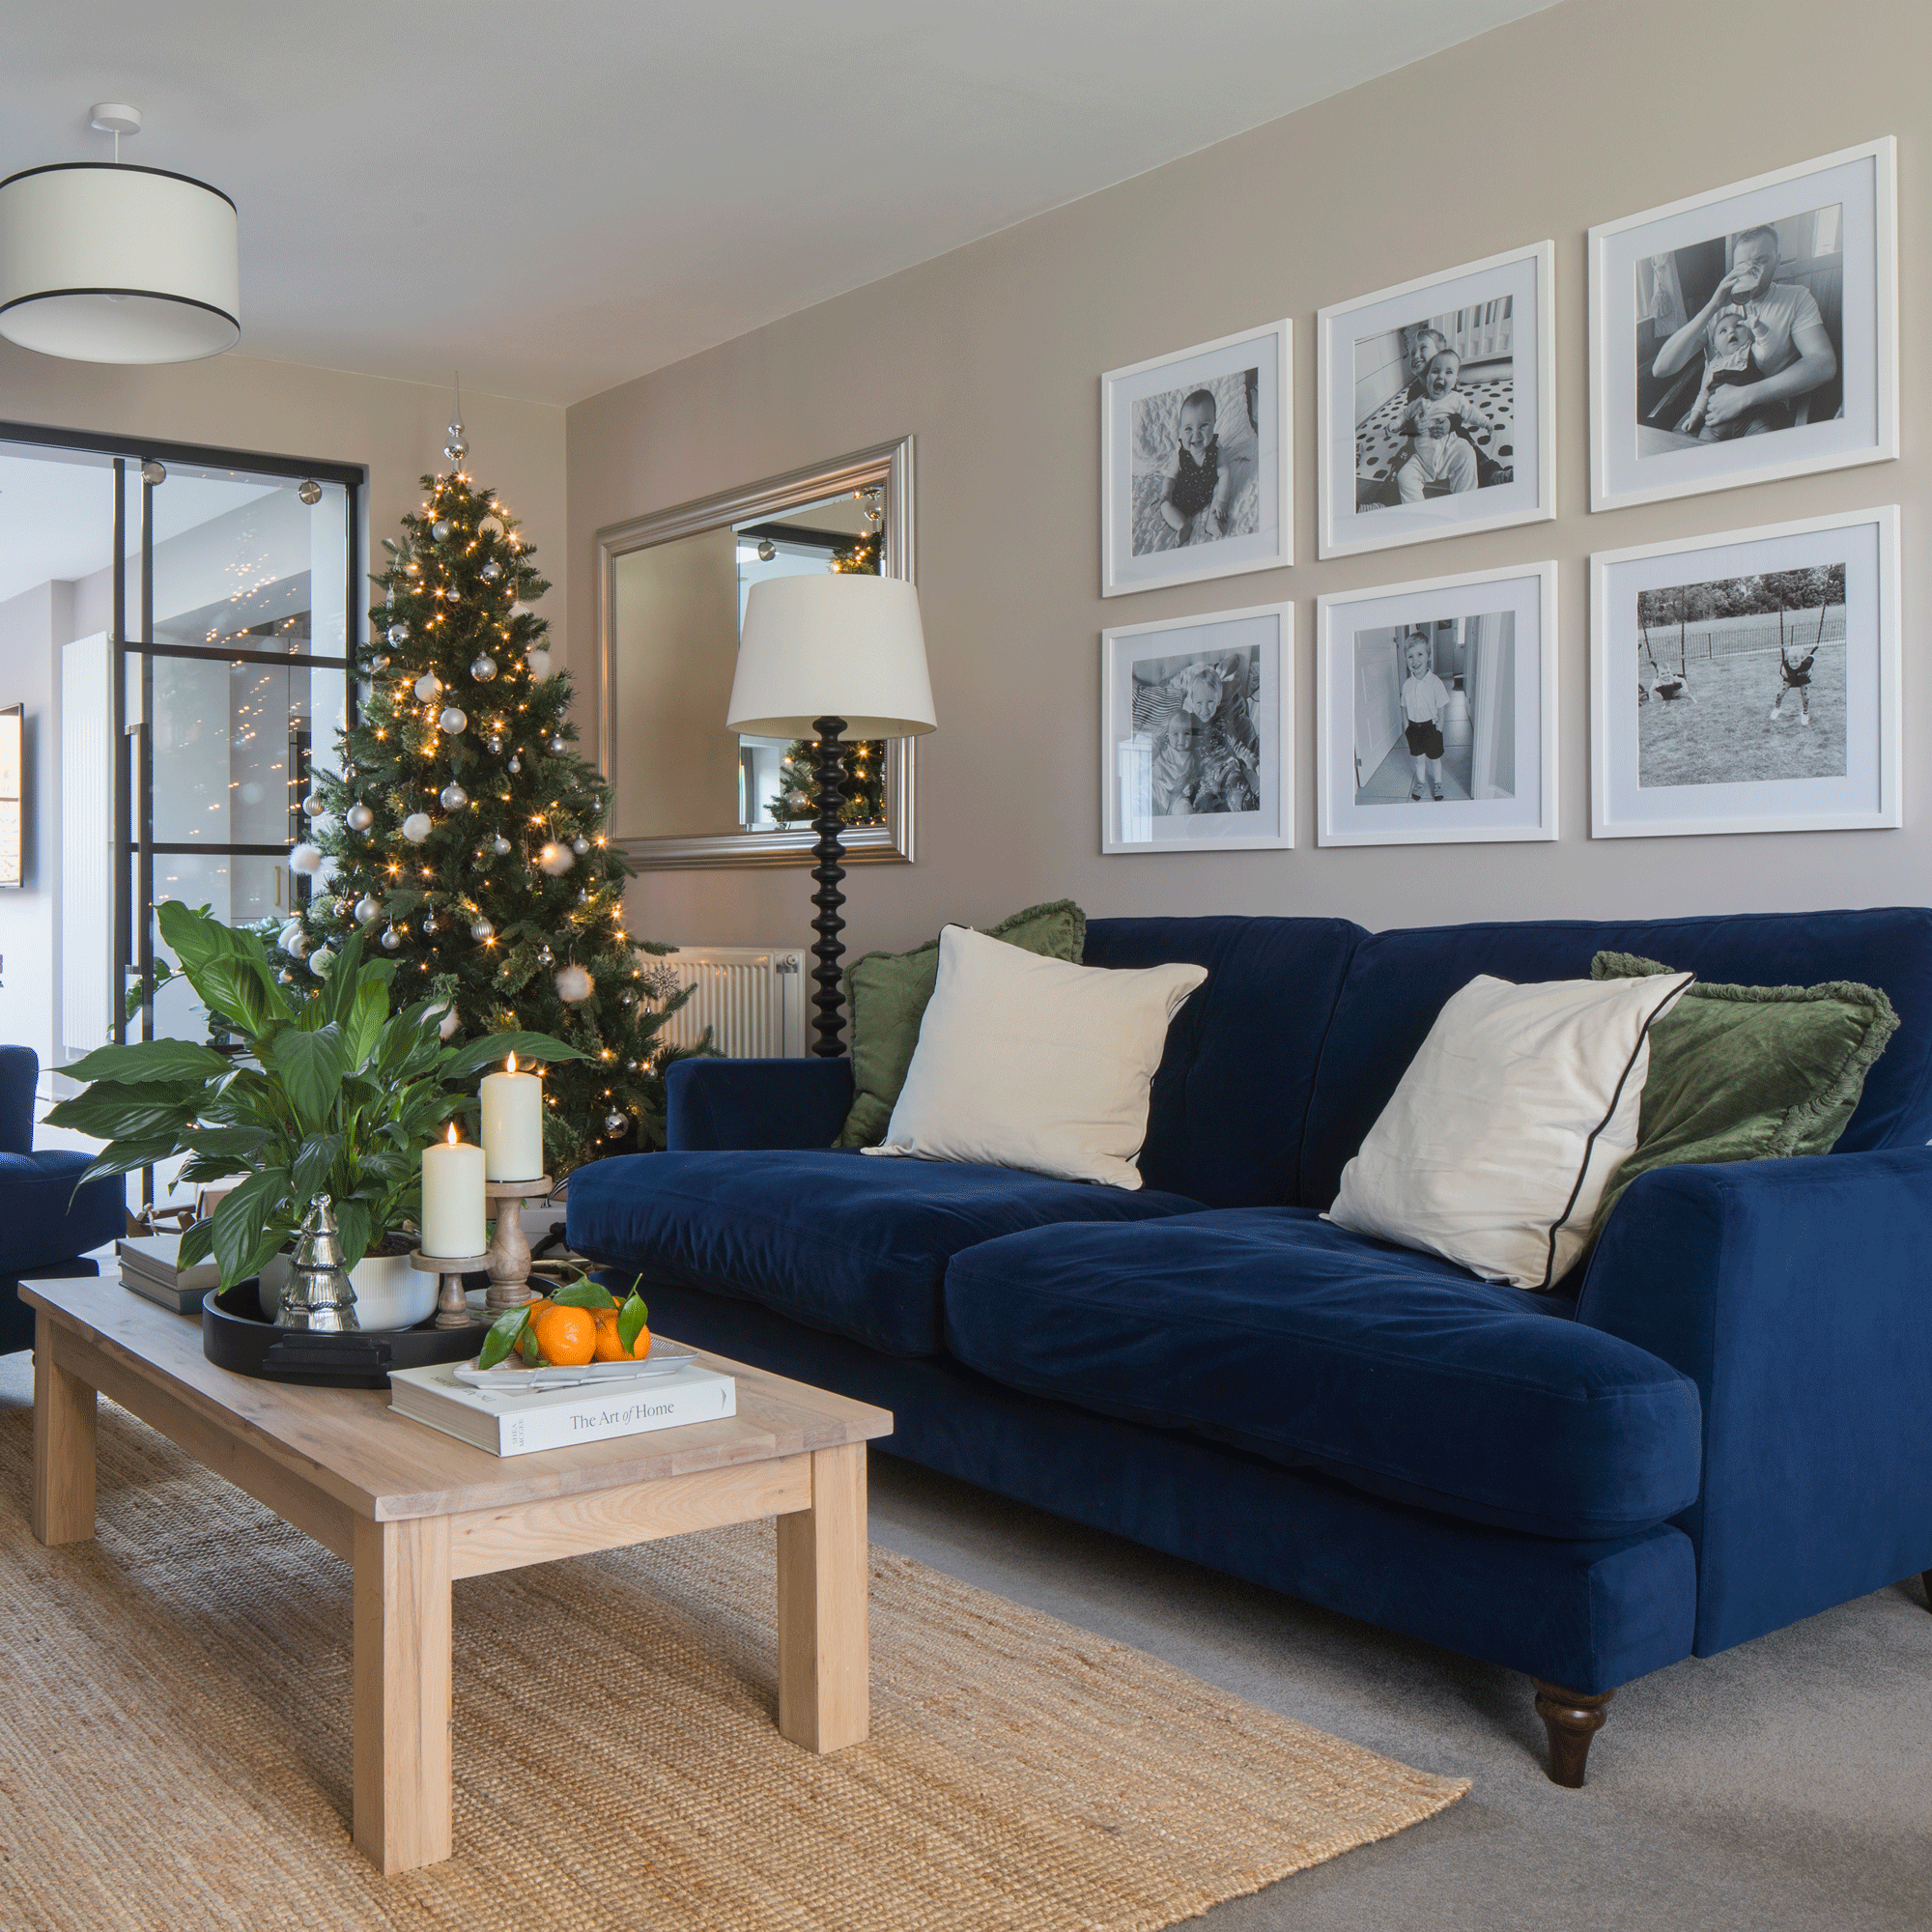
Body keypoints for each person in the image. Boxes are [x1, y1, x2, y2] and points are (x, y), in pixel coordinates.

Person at [1650, 225, 1836, 436]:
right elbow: (1661, 369)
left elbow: (1823, 362)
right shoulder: (1720, 306)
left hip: (1764, 412)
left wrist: (1745, 395)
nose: (1751, 270)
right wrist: (1713, 305)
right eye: (1742, 265)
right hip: (1712, 413)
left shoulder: (1796, 298)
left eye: (1761, 261)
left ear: (1777, 259)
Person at [1394, 351, 1491, 502]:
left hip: (1449, 451)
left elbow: (1470, 412)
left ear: (1454, 381)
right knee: (1404, 476)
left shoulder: (1455, 399)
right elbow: (1405, 414)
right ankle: (1418, 510)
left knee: (1467, 452)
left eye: (1448, 372)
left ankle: (1465, 499)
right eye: (1435, 371)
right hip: (1422, 459)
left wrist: (1485, 422)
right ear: (1427, 378)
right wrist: (1397, 424)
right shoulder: (1419, 401)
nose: (1440, 376)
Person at [1677, 307, 1781, 440]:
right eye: (1723, 331)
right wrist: (1694, 416)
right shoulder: (1713, 365)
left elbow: (1768, 348)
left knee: (1766, 438)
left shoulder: (1752, 351)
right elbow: (1704, 394)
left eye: (1738, 326)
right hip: (1716, 423)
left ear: (1750, 334)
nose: (1731, 331)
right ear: (1715, 347)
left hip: (1752, 419)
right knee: (1704, 443)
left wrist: (1758, 328)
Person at [1159, 389, 1236, 538]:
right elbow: (1170, 477)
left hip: (1206, 494)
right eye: (1188, 429)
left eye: (1203, 426)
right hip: (1181, 497)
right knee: (1164, 506)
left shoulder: (1216, 451)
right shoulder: (1180, 455)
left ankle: (1211, 522)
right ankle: (1182, 524)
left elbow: (1225, 473)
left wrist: (1221, 501)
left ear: (1214, 423)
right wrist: (1166, 493)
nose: (1196, 434)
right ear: (1180, 430)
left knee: (1221, 488)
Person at [1399, 632, 1450, 801]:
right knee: (1419, 759)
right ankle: (1420, 782)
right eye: (1410, 656)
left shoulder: (1435, 682)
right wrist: (1406, 727)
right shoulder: (1407, 685)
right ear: (1406, 659)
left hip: (1431, 727)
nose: (1415, 661)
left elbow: (1442, 707)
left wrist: (1440, 729)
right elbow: (1403, 706)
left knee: (1434, 759)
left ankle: (1438, 783)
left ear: (1428, 656)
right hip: (1413, 728)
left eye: (1420, 654)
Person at [1771, 635, 1817, 728]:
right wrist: (1783, 672)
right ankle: (1777, 708)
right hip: (1790, 678)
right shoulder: (1786, 664)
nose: (1793, 664)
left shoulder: (1806, 664)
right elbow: (1782, 670)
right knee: (1779, 694)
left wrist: (1810, 671)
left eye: (1796, 661)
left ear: (1802, 659)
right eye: (1791, 661)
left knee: (1806, 697)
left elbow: (1812, 657)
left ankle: (1805, 713)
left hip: (1802, 679)